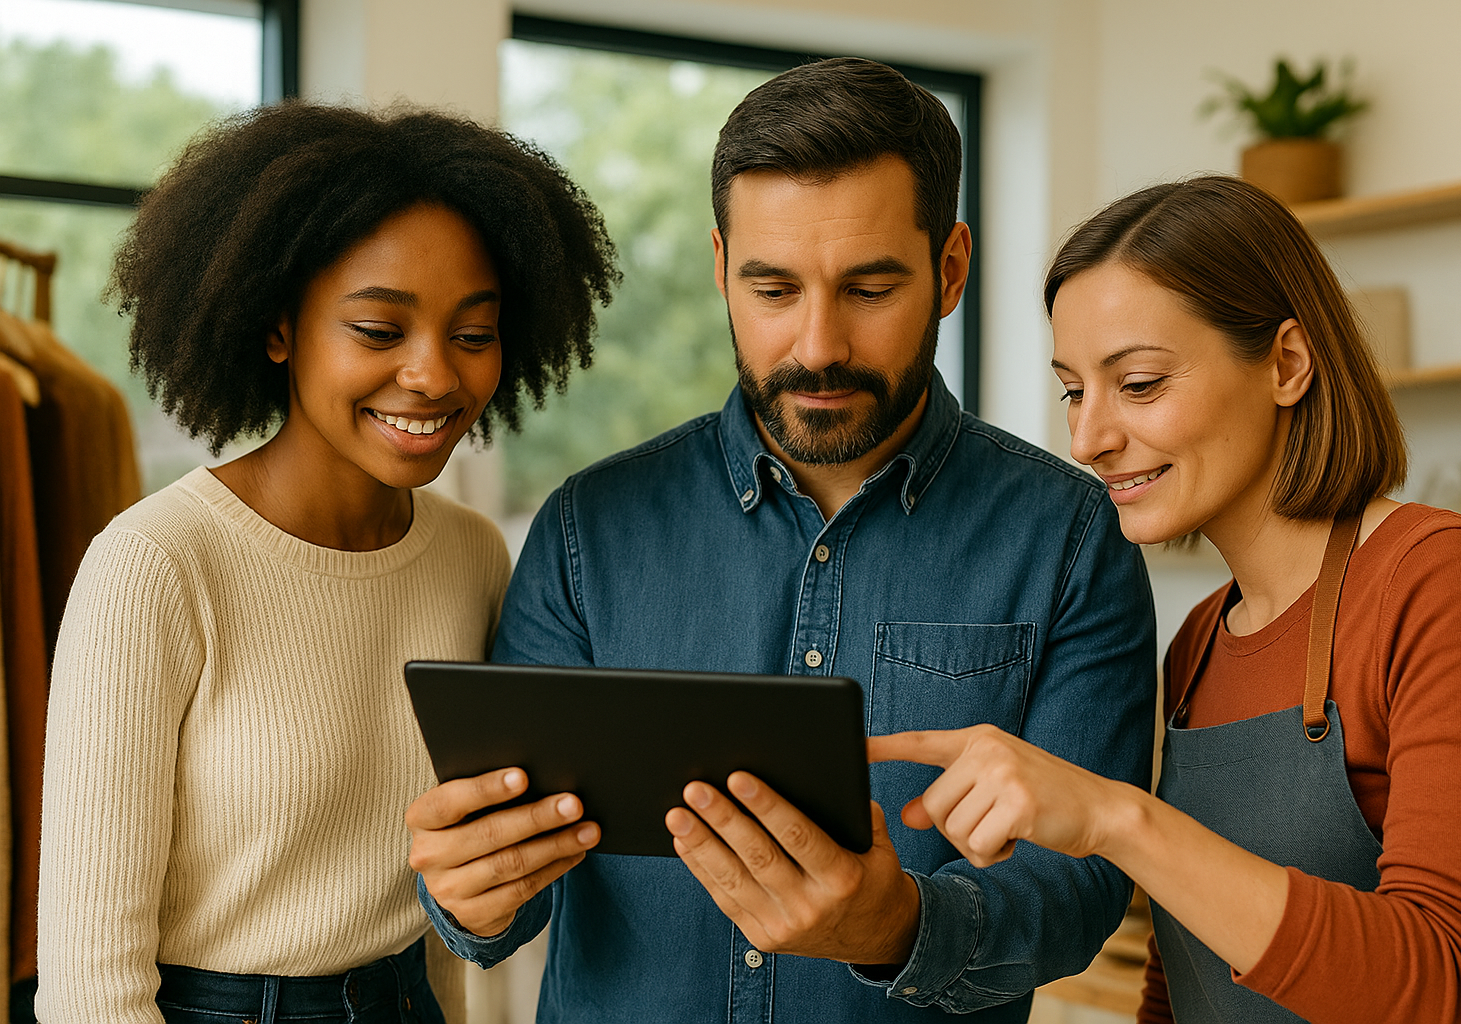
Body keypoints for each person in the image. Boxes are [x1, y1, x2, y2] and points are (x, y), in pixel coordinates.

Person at [405, 56, 1157, 1022]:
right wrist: (470, 894)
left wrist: (898, 928)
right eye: (772, 290)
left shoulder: (1072, 538)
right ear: (721, 268)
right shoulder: (588, 529)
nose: (816, 345)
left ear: (951, 270)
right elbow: (505, 897)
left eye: (870, 288)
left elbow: (1085, 890)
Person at [869, 175, 1461, 1024]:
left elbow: (1445, 983)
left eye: (1139, 384)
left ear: (1287, 364)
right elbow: (1184, 980)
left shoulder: (1442, 579)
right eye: (1075, 389)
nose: (1088, 438)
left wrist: (1117, 818)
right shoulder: (1200, 641)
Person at [37, 103, 618, 1024]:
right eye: (379, 331)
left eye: (473, 335)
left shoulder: (469, 555)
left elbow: (445, 895)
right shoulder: (154, 566)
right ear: (279, 329)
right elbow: (86, 989)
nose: (434, 375)